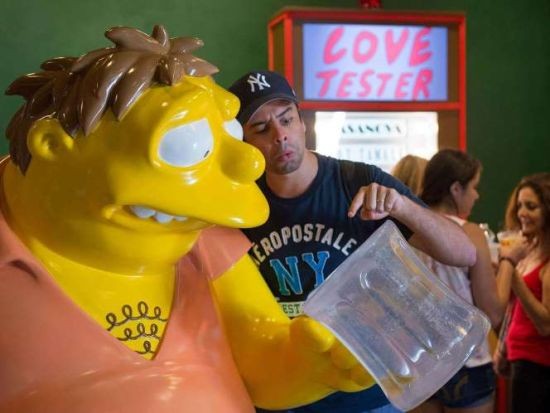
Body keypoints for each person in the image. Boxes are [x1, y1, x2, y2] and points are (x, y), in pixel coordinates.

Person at [0, 26, 374, 412]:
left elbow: (263, 362)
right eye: (185, 144)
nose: (250, 162)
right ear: (53, 146)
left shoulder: (202, 233)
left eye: (229, 133)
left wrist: (309, 364)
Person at [228, 70, 477, 413]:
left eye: (286, 120)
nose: (280, 136)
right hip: (286, 397)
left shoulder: (357, 180)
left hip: (367, 395)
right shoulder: (238, 204)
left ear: (302, 122)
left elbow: (464, 253)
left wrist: (402, 207)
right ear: (244, 141)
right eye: (261, 128)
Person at [409, 149, 505, 413]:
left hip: (417, 363)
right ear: (455, 189)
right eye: (474, 187)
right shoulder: (470, 234)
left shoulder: (407, 227)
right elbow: (492, 312)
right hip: (466, 362)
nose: (477, 195)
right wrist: (508, 264)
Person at [493, 173, 550, 413]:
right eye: (519, 206)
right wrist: (502, 346)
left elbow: (545, 325)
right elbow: (514, 308)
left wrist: (513, 275)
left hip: (539, 365)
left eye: (531, 206)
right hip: (517, 358)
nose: (522, 213)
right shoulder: (529, 248)